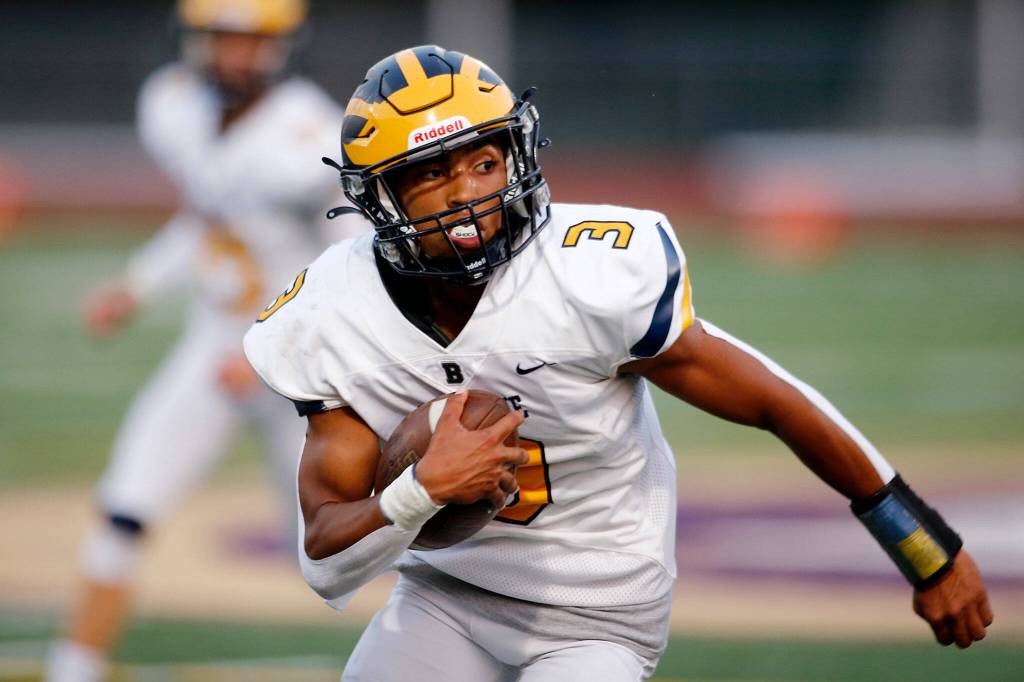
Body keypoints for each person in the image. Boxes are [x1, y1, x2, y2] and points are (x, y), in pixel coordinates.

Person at [243, 46, 993, 681]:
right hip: (445, 597)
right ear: (378, 199)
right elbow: (326, 562)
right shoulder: (335, 312)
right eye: (431, 175)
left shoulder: (588, 274)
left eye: (483, 161)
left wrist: (921, 545)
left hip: (597, 610)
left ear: (518, 153)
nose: (469, 196)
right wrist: (419, 492)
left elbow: (773, 399)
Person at [45, 2, 368, 680]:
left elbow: (354, 265)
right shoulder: (173, 105)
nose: (235, 58)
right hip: (211, 347)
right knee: (126, 504)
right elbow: (210, 214)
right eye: (222, 40)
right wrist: (136, 284)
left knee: (330, 556)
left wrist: (275, 350)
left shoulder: (308, 129)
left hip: (294, 372)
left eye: (251, 43)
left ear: (281, 47)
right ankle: (73, 665)